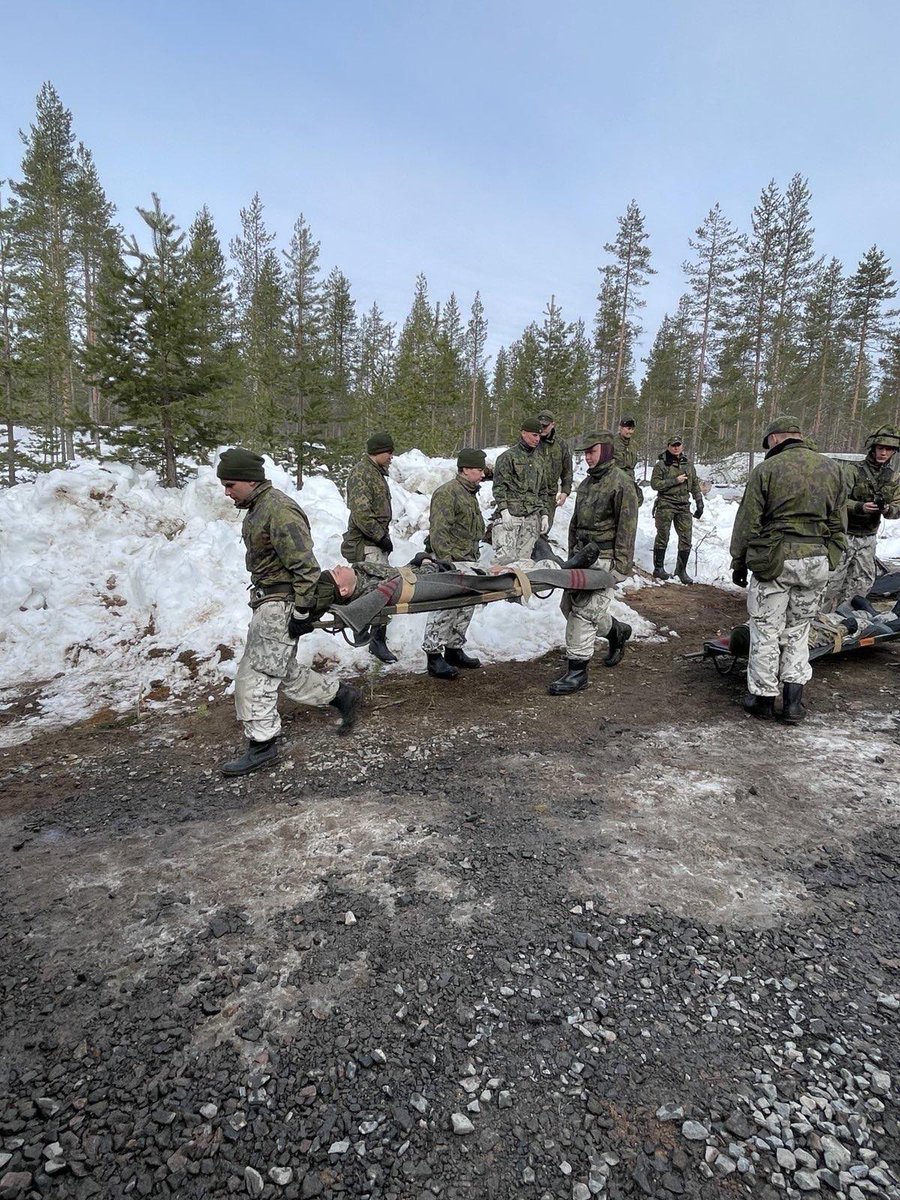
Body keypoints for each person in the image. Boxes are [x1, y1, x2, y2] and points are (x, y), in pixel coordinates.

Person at [217, 448, 361, 777]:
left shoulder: (278, 510)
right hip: (270, 601)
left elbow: (306, 568)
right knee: (282, 670)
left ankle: (263, 747)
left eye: (230, 485)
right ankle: (342, 695)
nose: (227, 492)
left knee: (257, 676)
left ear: (250, 480)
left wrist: (301, 612)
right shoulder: (258, 507)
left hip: (282, 604)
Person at [729, 415, 846, 724]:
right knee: (798, 631)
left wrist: (739, 562)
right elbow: (838, 523)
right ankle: (793, 703)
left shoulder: (766, 470)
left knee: (766, 630)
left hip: (775, 561)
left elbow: (747, 523)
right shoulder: (832, 469)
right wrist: (831, 557)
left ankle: (764, 699)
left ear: (776, 439)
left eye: (768, 443)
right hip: (816, 559)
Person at [548, 432, 639, 695]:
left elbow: (627, 526)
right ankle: (616, 632)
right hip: (581, 557)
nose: (587, 457)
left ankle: (577, 671)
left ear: (607, 451)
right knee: (569, 606)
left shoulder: (621, 483)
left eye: (592, 451)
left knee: (584, 613)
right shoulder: (587, 483)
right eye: (585, 453)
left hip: (606, 558)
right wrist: (571, 556)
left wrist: (621, 566)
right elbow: (576, 522)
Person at [422, 448, 487, 679]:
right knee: (446, 608)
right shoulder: (448, 493)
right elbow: (439, 531)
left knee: (465, 607)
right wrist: (446, 564)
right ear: (466, 469)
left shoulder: (468, 493)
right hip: (452, 562)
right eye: (479, 469)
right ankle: (433, 655)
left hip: (468, 560)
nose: (482, 474)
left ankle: (453, 649)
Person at [823, 425, 900, 610]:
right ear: (873, 449)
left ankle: (847, 621)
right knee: (831, 583)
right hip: (845, 535)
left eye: (888, 449)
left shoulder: (893, 477)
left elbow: (898, 506)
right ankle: (818, 623)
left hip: (868, 537)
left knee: (861, 584)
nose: (883, 453)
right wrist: (860, 507)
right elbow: (836, 500)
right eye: (880, 448)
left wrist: (888, 509)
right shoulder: (853, 471)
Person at [341, 432, 396, 663]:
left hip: (374, 541)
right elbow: (362, 514)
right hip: (367, 543)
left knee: (379, 590)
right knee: (376, 591)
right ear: (378, 452)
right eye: (389, 452)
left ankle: (374, 636)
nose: (392, 457)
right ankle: (373, 638)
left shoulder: (375, 473)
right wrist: (380, 536)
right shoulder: (362, 474)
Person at [492, 418, 554, 564]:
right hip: (511, 516)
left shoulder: (540, 460)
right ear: (524, 433)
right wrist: (503, 510)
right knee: (505, 560)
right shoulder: (508, 457)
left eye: (539, 435)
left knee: (524, 562)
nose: (537, 439)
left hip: (531, 517)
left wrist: (544, 514)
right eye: (534, 435)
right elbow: (499, 486)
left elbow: (543, 490)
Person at [650, 435, 704, 583]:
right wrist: (675, 480)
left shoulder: (688, 465)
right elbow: (655, 484)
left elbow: (694, 485)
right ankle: (658, 569)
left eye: (678, 445)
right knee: (663, 536)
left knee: (686, 538)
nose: (676, 447)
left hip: (683, 506)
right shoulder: (661, 465)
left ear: (682, 446)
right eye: (673, 445)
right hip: (666, 504)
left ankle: (681, 570)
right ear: (668, 446)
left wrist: (699, 502)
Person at [536, 410, 573, 530]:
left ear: (552, 424)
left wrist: (565, 491)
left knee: (545, 528)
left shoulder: (561, 445)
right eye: (540, 425)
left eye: (545, 425)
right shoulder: (532, 442)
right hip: (531, 494)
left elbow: (567, 470)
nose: (542, 428)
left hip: (549, 495)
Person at [613, 416, 644, 507]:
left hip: (629, 482)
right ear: (620, 428)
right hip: (615, 482)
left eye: (632, 429)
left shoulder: (633, 445)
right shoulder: (612, 442)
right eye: (628, 428)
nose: (630, 431)